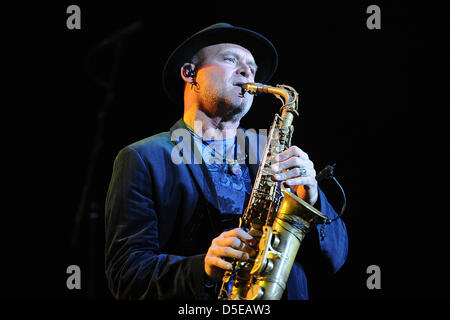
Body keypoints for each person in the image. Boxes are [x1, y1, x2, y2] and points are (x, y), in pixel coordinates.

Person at [104, 23, 348, 300]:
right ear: (189, 73)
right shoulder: (143, 158)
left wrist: (311, 200)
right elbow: (126, 275)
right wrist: (202, 268)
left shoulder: (277, 153)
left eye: (252, 67)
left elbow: (334, 261)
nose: (247, 71)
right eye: (231, 59)